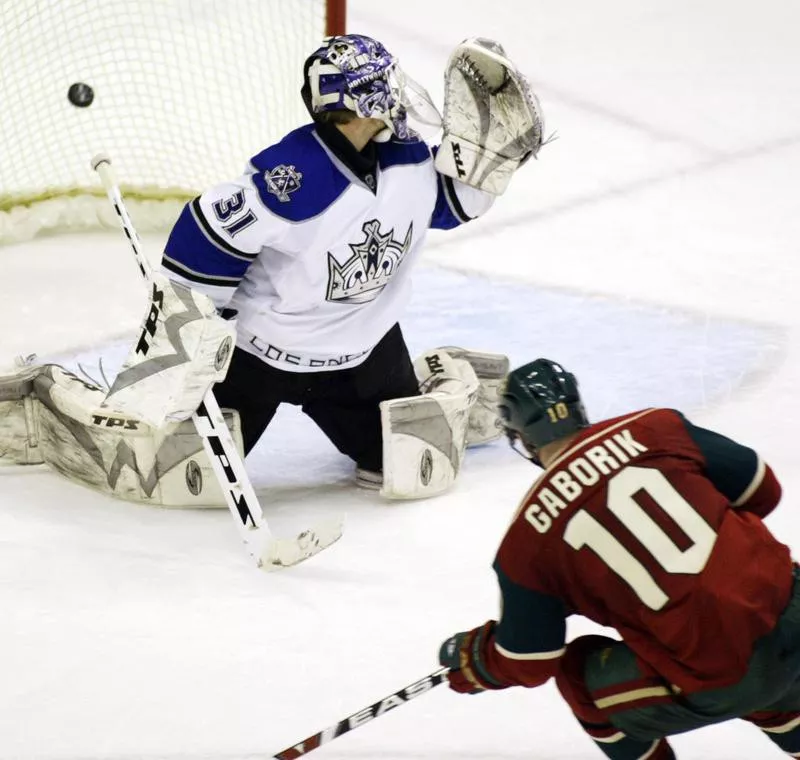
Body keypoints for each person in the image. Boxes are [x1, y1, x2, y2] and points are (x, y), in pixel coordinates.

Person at [157, 33, 543, 493]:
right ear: (363, 101)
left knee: (413, 470)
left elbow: (450, 207)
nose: (398, 93)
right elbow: (205, 236)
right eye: (387, 83)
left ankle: (442, 374)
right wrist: (197, 329)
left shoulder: (409, 156)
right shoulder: (293, 179)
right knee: (187, 477)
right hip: (259, 357)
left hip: (363, 353)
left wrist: (488, 164)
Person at [438, 358, 799, 759]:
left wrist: (477, 659)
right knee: (761, 652)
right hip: (792, 606)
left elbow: (530, 658)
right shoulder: (658, 427)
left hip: (724, 666)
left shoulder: (526, 543)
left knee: (582, 681)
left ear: (523, 439)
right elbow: (762, 489)